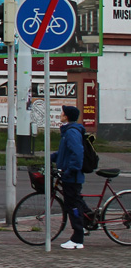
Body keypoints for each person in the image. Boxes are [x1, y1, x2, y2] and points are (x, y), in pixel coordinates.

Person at [51, 105, 91, 249]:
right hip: (69, 175)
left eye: (62, 113)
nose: (60, 115)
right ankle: (88, 220)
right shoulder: (68, 132)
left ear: (66, 116)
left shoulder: (71, 132)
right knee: (76, 201)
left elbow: (77, 153)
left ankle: (77, 239)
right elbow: (64, 153)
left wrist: (70, 170)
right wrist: (51, 158)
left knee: (72, 205)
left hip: (72, 176)